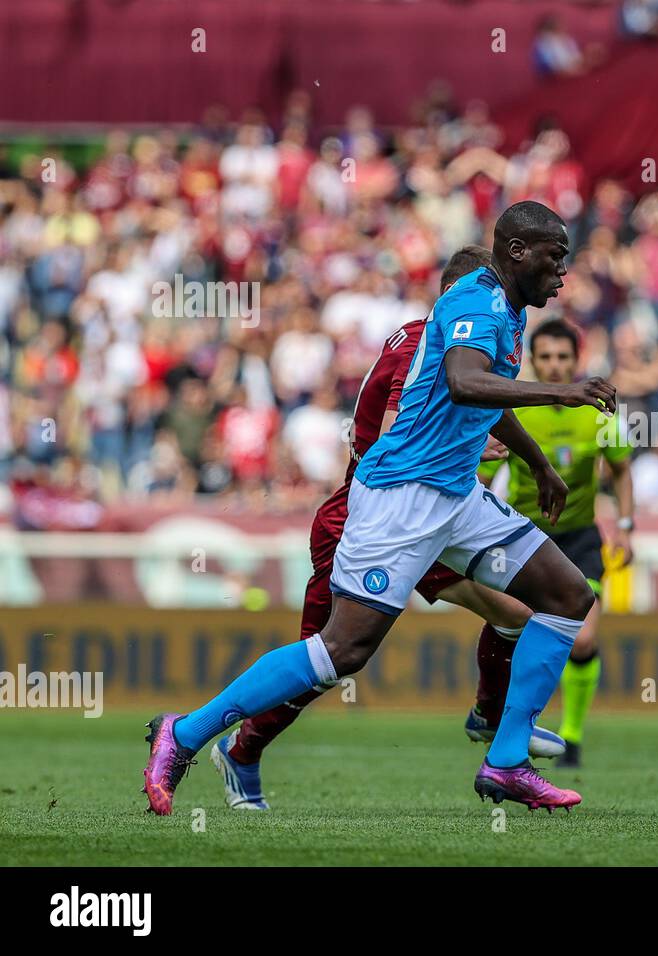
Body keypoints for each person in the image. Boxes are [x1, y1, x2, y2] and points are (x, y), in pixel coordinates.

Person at [142, 201, 617, 815]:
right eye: (555, 258)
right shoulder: (477, 305)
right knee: (341, 652)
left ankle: (505, 761)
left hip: (454, 494)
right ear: (518, 253)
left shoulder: (508, 308)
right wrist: (562, 392)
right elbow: (464, 383)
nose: (563, 273)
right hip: (402, 495)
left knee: (568, 596)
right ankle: (182, 735)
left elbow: (482, 401)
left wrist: (537, 463)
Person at [208, 245, 567, 812]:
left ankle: (496, 731)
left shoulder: (446, 334)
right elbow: (406, 430)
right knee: (329, 658)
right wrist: (474, 452)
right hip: (373, 514)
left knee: (517, 612)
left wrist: (520, 458)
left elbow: (464, 408)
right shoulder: (433, 342)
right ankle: (241, 748)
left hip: (429, 511)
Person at [479, 318, 635, 767]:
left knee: (583, 641)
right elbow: (482, 478)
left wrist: (624, 524)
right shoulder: (515, 412)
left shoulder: (597, 414)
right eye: (545, 356)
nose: (554, 365)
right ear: (533, 360)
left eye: (563, 357)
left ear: (576, 360)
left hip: (581, 537)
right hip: (526, 538)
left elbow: (622, 469)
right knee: (522, 629)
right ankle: (512, 725)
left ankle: (572, 734)